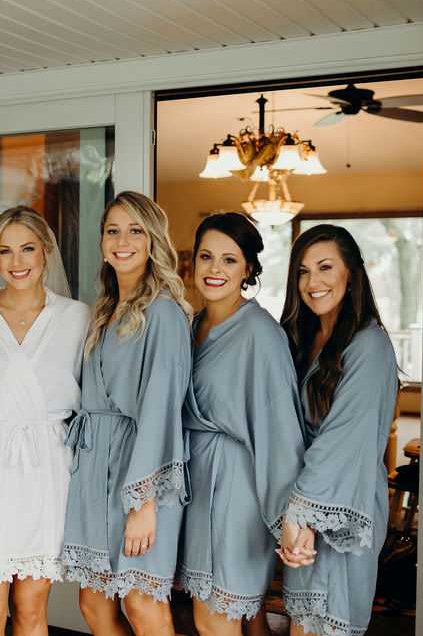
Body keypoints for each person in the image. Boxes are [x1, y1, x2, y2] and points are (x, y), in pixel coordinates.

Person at [0, 206, 90, 636]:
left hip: (46, 469)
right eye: (5, 251)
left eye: (27, 249)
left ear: (46, 252)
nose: (17, 261)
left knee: (30, 612)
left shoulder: (78, 317)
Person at [62, 191, 192, 636]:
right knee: (93, 604)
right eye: (113, 231)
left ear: (153, 240)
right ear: (101, 242)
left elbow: (161, 411)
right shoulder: (103, 310)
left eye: (136, 230)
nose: (123, 240)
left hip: (140, 476)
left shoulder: (165, 314)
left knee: (141, 603)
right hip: (95, 470)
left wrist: (143, 503)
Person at [177, 212, 306, 636]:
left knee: (214, 620)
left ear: (249, 268)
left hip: (234, 489)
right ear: (192, 262)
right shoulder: (191, 325)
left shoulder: (260, 334)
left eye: (229, 260)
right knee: (228, 620)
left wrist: (290, 517)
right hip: (196, 484)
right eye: (206, 257)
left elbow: (280, 431)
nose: (215, 269)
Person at [277, 225, 399, 636]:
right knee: (302, 623)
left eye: (326, 267)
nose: (313, 282)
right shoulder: (304, 337)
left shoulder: (369, 345)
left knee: (320, 626)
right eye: (304, 271)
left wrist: (302, 514)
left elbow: (346, 438)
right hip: (305, 505)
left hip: (340, 507)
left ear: (352, 274)